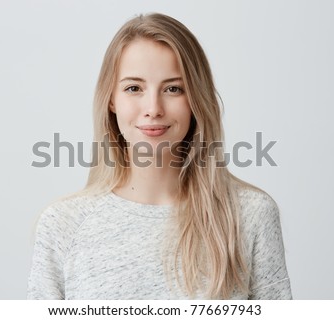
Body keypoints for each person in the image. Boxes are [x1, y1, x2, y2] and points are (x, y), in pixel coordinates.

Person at [27, 13, 292, 300]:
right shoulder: (63, 224)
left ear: (196, 100)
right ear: (111, 100)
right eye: (134, 88)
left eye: (173, 89)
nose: (153, 108)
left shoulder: (250, 216)